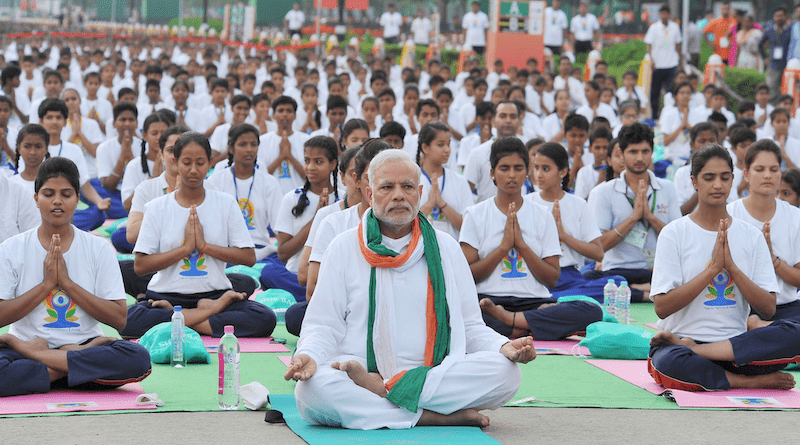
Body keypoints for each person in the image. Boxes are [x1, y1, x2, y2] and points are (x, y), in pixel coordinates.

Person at [286, 149, 532, 430]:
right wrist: (308, 355)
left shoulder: (446, 248)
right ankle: (431, 416)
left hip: (433, 373)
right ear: (369, 193)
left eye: (407, 187)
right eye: (387, 187)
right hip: (360, 369)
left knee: (506, 373)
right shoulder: (343, 247)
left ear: (420, 192)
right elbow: (322, 325)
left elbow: (469, 326)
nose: (399, 195)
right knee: (313, 390)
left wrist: (502, 346)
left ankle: (384, 394)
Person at [648, 144, 800, 391]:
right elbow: (662, 308)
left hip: (734, 349)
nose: (717, 185)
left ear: (732, 180)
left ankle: (701, 355)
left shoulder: (751, 235)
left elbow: (768, 308)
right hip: (680, 346)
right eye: (709, 178)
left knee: (795, 333)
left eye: (724, 177)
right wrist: (712, 270)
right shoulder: (674, 233)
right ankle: (750, 382)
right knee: (667, 361)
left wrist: (733, 269)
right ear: (694, 182)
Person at [0, 157, 151, 397]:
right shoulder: (11, 248)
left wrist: (68, 284)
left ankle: (43, 365)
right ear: (36, 199)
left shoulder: (98, 248)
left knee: (138, 358)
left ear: (78, 199)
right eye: (48, 193)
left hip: (81, 344)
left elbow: (120, 319)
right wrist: (46, 285)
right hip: (30, 342)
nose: (57, 201)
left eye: (66, 194)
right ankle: (74, 370)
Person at [121, 132, 275, 339]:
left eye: (200, 163)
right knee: (127, 321)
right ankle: (206, 316)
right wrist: (184, 249)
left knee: (264, 317)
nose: (193, 170)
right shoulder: (157, 208)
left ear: (210, 162)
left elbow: (248, 257)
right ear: (175, 162)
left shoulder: (225, 203)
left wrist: (203, 246)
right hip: (166, 296)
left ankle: (176, 320)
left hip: (214, 294)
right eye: (186, 162)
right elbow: (140, 266)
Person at [460, 137, 603, 339]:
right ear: (492, 173)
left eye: (518, 168)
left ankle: (511, 322)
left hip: (533, 299)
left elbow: (552, 278)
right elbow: (467, 276)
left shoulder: (542, 215)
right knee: (458, 314)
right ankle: (528, 325)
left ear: (527, 172)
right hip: (488, 300)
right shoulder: (475, 214)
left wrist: (522, 246)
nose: (512, 175)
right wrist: (504, 247)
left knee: (592, 310)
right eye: (504, 168)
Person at [586, 122, 681, 302]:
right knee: (590, 280)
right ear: (621, 154)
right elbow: (598, 247)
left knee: (688, 278)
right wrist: (633, 218)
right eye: (633, 152)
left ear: (652, 152)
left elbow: (679, 239)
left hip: (656, 272)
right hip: (618, 272)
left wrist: (650, 217)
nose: (639, 158)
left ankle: (639, 291)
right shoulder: (602, 192)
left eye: (645, 152)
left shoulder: (667, 188)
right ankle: (644, 292)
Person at [529, 142, 625, 301]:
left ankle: (556, 300)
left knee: (618, 282)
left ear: (563, 172)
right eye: (536, 167)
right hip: (538, 276)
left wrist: (562, 235)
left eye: (546, 169)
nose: (539, 174)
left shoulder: (578, 204)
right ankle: (562, 301)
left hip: (570, 278)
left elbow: (598, 253)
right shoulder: (527, 203)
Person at [726, 141, 800, 328]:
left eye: (774, 169)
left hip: (788, 308)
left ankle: (760, 328)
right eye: (759, 169)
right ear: (746, 174)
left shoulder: (794, 216)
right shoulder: (729, 215)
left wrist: (772, 259)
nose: (767, 175)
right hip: (739, 307)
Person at [259, 136, 339, 302]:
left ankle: (320, 294)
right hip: (296, 276)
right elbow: (283, 253)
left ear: (333, 164)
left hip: (332, 275)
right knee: (269, 272)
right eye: (307, 161)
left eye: (318, 162)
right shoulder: (292, 199)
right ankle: (322, 296)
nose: (310, 167)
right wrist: (317, 219)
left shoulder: (344, 200)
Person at [208, 123, 283, 262]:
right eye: (243, 144)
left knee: (272, 273)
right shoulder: (215, 181)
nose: (249, 150)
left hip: (261, 251)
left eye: (253, 144)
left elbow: (279, 228)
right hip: (228, 251)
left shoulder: (270, 183)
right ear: (231, 149)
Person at [416, 122, 474, 240]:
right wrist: (430, 204)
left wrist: (442, 204)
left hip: (451, 251)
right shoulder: (412, 181)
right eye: (441, 145)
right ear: (425, 148)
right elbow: (405, 225)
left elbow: (468, 226)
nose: (447, 150)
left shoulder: (460, 181)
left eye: (448, 144)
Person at [464, 101, 521, 202]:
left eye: (513, 116)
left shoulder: (528, 151)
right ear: (493, 121)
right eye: (503, 116)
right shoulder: (478, 153)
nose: (508, 120)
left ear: (519, 121)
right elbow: (466, 191)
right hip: (485, 215)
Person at [258, 96, 311, 194]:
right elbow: (260, 178)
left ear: (295, 115)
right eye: (280, 111)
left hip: (300, 196)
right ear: (274, 115)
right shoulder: (262, 141)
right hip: (271, 196)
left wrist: (289, 156)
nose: (285, 114)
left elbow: (310, 177)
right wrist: (281, 156)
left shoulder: (307, 141)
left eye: (289, 111)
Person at [644, 4, 682, 120]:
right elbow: (649, 45)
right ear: (660, 14)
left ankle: (669, 116)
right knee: (655, 92)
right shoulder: (654, 27)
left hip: (671, 63)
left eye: (666, 13)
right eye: (662, 13)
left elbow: (678, 44)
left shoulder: (675, 27)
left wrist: (680, 61)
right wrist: (651, 60)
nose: (664, 15)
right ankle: (655, 116)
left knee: (670, 91)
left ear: (669, 15)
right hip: (658, 64)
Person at [760, 8, 790, 100]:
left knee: (787, 90)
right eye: (777, 16)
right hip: (773, 65)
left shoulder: (790, 30)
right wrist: (764, 57)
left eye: (781, 15)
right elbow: (760, 44)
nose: (779, 18)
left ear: (785, 17)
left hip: (787, 64)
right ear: (774, 17)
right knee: (771, 89)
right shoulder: (769, 30)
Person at [574, 126, 612, 200]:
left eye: (605, 147)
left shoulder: (617, 170)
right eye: (597, 148)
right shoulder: (584, 172)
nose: (601, 152)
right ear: (590, 149)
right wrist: (600, 181)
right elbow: (580, 204)